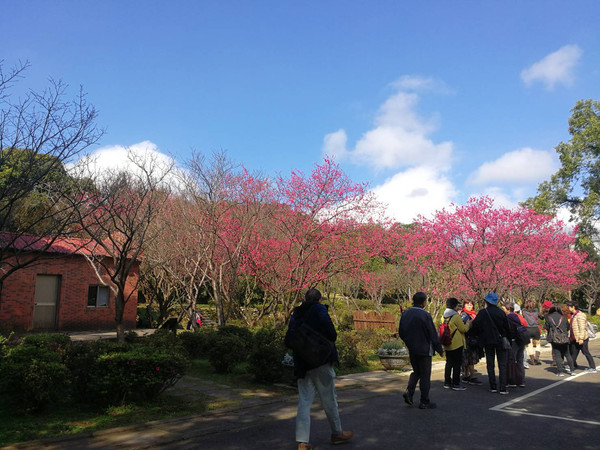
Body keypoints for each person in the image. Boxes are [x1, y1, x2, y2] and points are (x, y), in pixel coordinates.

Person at [285, 288, 354, 450]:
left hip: (302, 364)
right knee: (329, 399)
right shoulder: (320, 310)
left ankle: (302, 442)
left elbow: (289, 339)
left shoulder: (296, 314)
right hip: (321, 361)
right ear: (319, 300)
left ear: (304, 298)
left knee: (304, 401)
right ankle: (337, 433)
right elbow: (332, 334)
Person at [398, 291, 444, 409]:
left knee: (416, 371)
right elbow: (432, 334)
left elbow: (401, 332)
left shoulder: (406, 313)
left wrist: (408, 342)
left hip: (412, 348)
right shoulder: (425, 315)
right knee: (424, 374)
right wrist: (439, 349)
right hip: (424, 349)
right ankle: (424, 401)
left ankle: (410, 392)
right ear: (423, 302)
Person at [470, 292, 510, 394]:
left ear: (487, 301)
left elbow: (475, 326)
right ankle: (503, 387)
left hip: (488, 341)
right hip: (500, 340)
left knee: (490, 364)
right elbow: (507, 327)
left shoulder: (483, 312)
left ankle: (493, 386)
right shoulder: (501, 313)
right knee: (502, 364)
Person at [442, 297, 471, 390]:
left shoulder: (444, 316)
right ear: (454, 306)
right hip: (456, 343)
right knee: (457, 364)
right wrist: (468, 323)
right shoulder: (455, 316)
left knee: (449, 363)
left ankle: (447, 382)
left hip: (447, 343)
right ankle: (456, 383)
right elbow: (464, 329)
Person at [566, 301, 597, 373]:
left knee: (585, 352)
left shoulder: (580, 315)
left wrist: (581, 338)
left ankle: (593, 367)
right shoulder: (573, 315)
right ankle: (571, 366)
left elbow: (582, 328)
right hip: (574, 338)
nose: (568, 308)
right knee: (574, 352)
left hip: (581, 338)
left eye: (569, 307)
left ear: (573, 307)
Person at [545, 305, 575, 377]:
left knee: (557, 355)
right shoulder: (563, 317)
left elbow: (547, 327)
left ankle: (560, 372)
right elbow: (568, 327)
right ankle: (572, 370)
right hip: (564, 338)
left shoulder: (549, 317)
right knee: (567, 354)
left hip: (554, 339)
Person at [461, 299, 483, 385]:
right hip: (467, 339)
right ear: (464, 305)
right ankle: (472, 376)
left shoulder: (473, 314)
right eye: (467, 304)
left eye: (471, 304)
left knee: (468, 357)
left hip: (472, 338)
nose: (469, 306)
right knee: (469, 357)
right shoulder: (464, 314)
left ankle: (466, 375)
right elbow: (463, 326)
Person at [506, 303, 526, 387]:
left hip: (513, 341)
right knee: (520, 361)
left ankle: (513, 380)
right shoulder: (519, 316)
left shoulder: (509, 317)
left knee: (512, 360)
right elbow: (525, 324)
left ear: (508, 309)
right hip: (521, 340)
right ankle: (521, 380)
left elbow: (508, 329)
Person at [522, 300, 542, 366]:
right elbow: (541, 317)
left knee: (529, 344)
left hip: (528, 329)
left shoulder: (524, 311)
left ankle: (532, 360)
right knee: (538, 343)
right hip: (535, 328)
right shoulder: (536, 311)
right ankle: (537, 358)